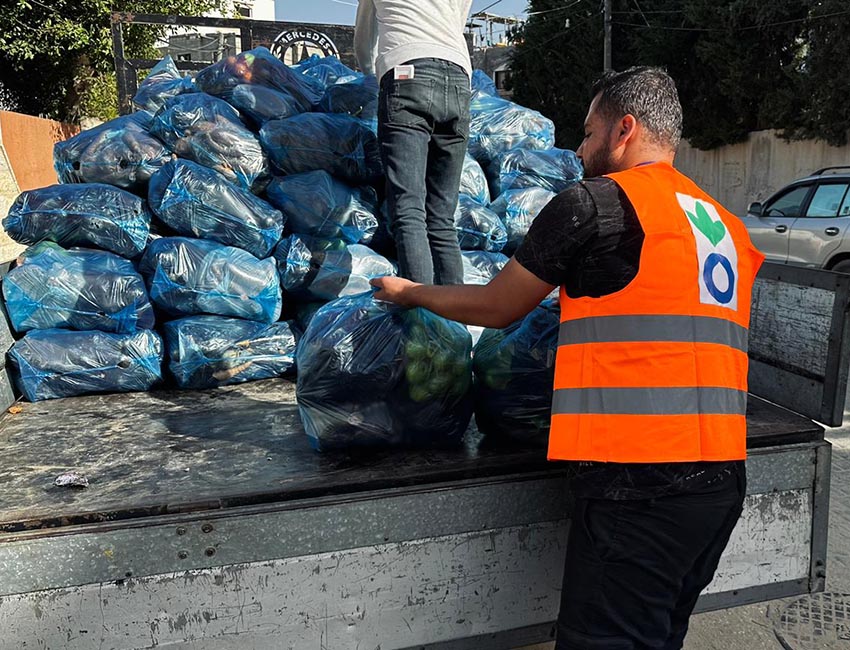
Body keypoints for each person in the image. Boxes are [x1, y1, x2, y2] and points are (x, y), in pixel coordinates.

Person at [371, 66, 765, 649]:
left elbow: (500, 305)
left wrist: (410, 292)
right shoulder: (723, 225)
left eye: (587, 133)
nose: (579, 149)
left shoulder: (597, 204)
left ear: (624, 129)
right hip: (720, 482)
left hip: (640, 486)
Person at [354, 0, 472, 285]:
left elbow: (363, 40)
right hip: (459, 77)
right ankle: (454, 321)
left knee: (409, 209)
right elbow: (455, 23)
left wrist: (372, 76)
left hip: (407, 72)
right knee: (442, 217)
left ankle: (421, 320)